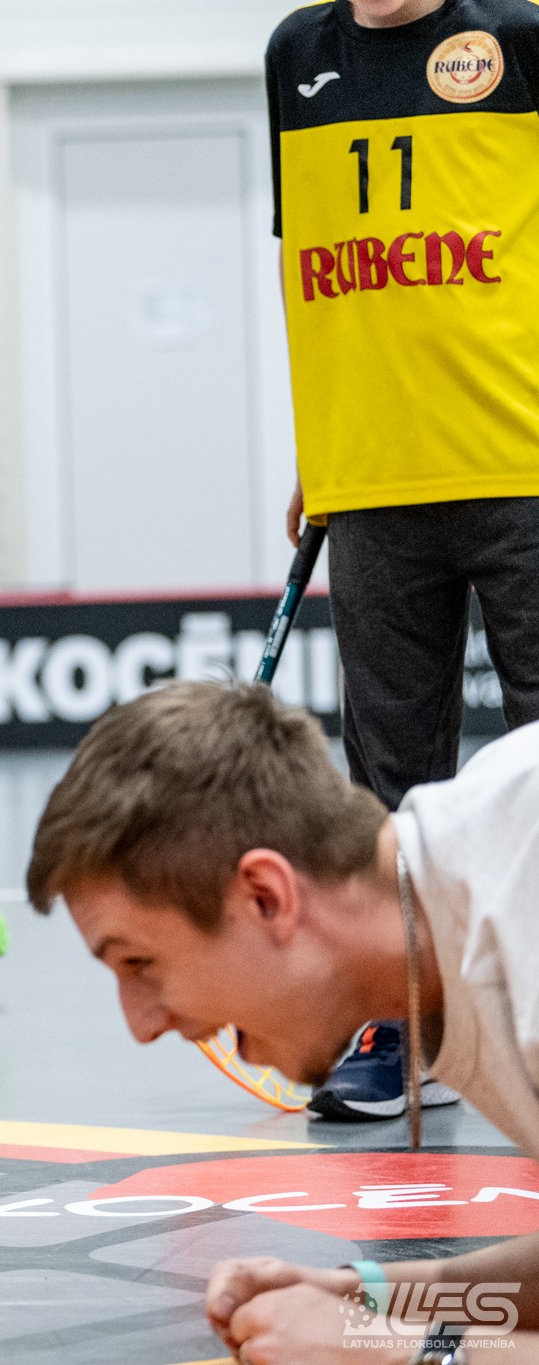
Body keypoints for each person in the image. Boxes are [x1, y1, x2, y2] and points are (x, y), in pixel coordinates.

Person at [29, 682, 539, 1361]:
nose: (140, 1025)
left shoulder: (519, 893)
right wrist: (362, 1299)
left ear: (266, 897)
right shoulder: (464, 896)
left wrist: (399, 1351)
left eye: (140, 961)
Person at [266, 0, 539, 1121]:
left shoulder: (517, 38)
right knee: (384, 782)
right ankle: (405, 1021)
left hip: (521, 463)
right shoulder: (296, 55)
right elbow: (310, 266)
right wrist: (317, 444)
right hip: (371, 478)